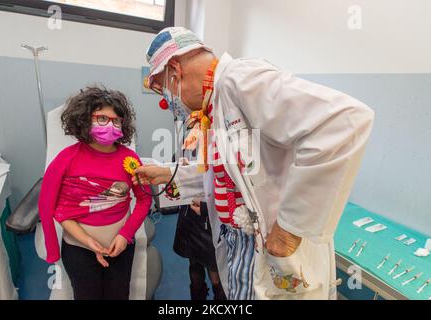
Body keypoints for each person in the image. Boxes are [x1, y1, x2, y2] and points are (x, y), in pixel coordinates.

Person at [134, 27, 374, 300]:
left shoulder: (240, 79)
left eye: (163, 87)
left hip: (274, 250)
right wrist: (166, 174)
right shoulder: (216, 106)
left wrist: (288, 232)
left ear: (175, 70)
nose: (168, 99)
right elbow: (226, 176)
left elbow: (343, 123)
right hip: (241, 246)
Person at [38, 86, 152, 300]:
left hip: (121, 248)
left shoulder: (130, 159)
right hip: (79, 250)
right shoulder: (66, 159)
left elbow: (145, 200)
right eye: (101, 118)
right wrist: (67, 246)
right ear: (84, 119)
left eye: (116, 120)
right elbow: (48, 206)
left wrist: (125, 236)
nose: (110, 125)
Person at [174, 197, 227, 300]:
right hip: (191, 213)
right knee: (195, 266)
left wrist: (206, 208)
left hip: (212, 216)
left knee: (215, 272)